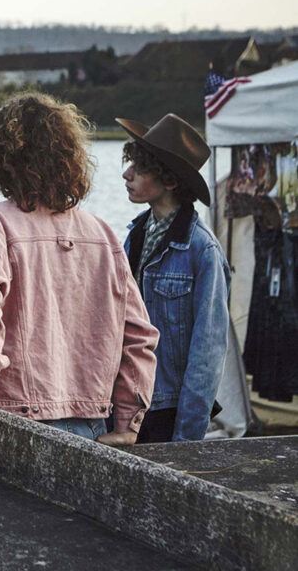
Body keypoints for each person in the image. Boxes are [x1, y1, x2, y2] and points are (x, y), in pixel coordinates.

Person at [0, 93, 158, 445]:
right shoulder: (102, 234)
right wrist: (127, 423)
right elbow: (139, 334)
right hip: (92, 423)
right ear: (70, 157)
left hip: (10, 421)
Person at [118, 113, 231, 442]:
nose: (127, 174)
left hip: (167, 409)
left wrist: (186, 441)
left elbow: (207, 355)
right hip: (129, 403)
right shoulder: (135, 234)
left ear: (169, 181)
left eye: (140, 168)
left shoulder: (202, 250)